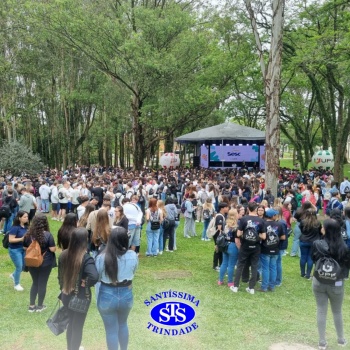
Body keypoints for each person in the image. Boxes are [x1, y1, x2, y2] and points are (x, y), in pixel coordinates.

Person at [95, 227, 138, 350]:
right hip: (126, 293)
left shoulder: (101, 257)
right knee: (123, 324)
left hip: (107, 293)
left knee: (111, 330)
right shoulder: (133, 255)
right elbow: (134, 272)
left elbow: (97, 277)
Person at [312, 219, 350, 350]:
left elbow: (313, 259)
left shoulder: (317, 244)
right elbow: (346, 267)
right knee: (337, 312)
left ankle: (322, 342)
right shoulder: (344, 247)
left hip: (319, 281)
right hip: (337, 283)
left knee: (321, 310)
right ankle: (341, 339)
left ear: (326, 230)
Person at [58, 227, 98, 350]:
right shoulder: (86, 258)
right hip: (80, 297)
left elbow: (60, 276)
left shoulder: (63, 254)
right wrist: (85, 283)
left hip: (66, 293)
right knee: (77, 326)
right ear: (84, 240)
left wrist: (63, 288)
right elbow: (95, 276)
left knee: (71, 324)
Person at [231, 201, 266, 295]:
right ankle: (251, 288)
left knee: (240, 265)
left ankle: (236, 286)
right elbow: (264, 237)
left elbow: (238, 234)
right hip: (256, 246)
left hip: (245, 245)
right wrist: (256, 236)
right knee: (254, 266)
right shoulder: (261, 221)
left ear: (248, 209)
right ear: (256, 210)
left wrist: (245, 235)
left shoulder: (243, 219)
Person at [23, 214, 56, 312]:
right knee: (42, 283)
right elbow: (52, 249)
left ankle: (31, 306)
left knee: (35, 283)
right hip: (45, 262)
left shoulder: (28, 234)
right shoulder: (47, 235)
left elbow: (25, 248)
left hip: (32, 262)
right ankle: (40, 306)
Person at [8, 210, 29, 291]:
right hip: (15, 250)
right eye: (24, 217)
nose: (26, 218)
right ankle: (16, 284)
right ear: (19, 218)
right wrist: (21, 239)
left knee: (23, 266)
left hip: (23, 249)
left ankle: (13, 275)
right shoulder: (15, 228)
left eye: (27, 217)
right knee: (19, 266)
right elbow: (11, 240)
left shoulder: (26, 227)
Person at [218, 208, 239, 287]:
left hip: (225, 245)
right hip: (233, 246)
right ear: (235, 215)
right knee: (231, 265)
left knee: (224, 263)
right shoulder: (237, 225)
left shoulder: (225, 224)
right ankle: (230, 282)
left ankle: (220, 280)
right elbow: (237, 239)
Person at [300, 208, 322, 279]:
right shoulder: (318, 223)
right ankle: (308, 274)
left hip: (303, 241)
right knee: (310, 258)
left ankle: (302, 273)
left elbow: (301, 230)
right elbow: (320, 232)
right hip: (313, 242)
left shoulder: (303, 222)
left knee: (303, 257)